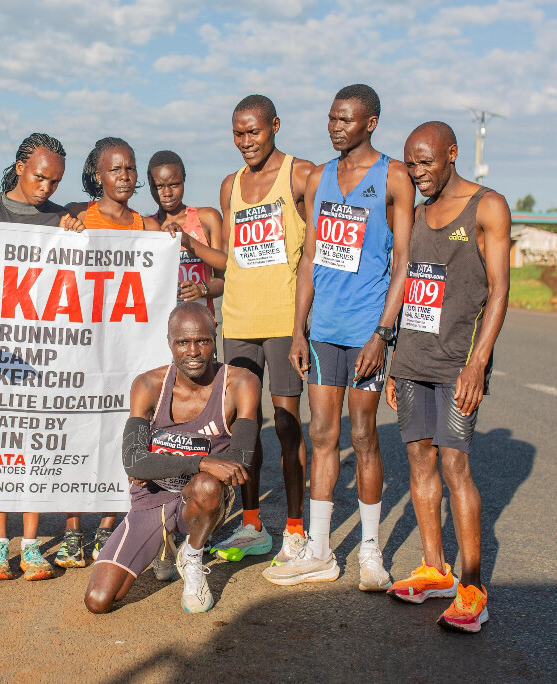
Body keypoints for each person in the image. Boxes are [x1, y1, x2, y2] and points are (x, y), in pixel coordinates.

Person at [263, 84, 415, 590]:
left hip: (367, 329)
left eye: (345, 119)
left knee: (363, 435)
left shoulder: (394, 176)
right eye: (331, 118)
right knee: (323, 435)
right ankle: (321, 551)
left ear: (370, 123)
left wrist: (383, 334)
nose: (335, 127)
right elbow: (309, 257)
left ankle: (370, 550)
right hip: (324, 331)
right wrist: (298, 330)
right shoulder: (319, 177)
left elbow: (403, 262)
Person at [384, 122, 510, 633]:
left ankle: (472, 588)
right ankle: (435, 570)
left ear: (452, 154)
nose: (417, 173)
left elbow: (499, 290)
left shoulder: (487, 206)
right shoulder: (416, 214)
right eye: (411, 164)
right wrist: (394, 361)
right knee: (419, 459)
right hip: (412, 360)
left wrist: (478, 362)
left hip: (459, 363)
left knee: (455, 465)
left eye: (426, 162)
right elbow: (409, 288)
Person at [84, 303, 260, 614]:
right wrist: (201, 461)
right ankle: (162, 546)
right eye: (183, 342)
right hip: (153, 499)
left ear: (215, 336)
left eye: (202, 341)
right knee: (98, 601)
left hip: (202, 500)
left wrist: (158, 465)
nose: (193, 352)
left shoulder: (240, 382)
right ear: (169, 342)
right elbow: (134, 462)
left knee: (207, 486)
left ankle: (191, 554)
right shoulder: (148, 384)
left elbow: (240, 462)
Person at [0, 132, 84, 580]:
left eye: (55, 181)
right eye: (39, 177)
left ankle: (30, 545)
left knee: (34, 442)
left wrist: (78, 236)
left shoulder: (60, 219)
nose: (46, 188)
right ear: (19, 168)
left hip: (41, 354)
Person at [209, 95, 315, 567]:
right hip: (238, 321)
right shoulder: (230, 186)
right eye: (238, 133)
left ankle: (294, 529)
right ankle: (252, 525)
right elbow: (230, 258)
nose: (246, 141)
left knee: (288, 427)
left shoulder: (301, 174)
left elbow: (316, 251)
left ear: (275, 125)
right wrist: (189, 247)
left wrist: (302, 325)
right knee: (243, 429)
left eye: (254, 131)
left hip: (283, 322)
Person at [63, 137, 161, 563]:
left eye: (130, 168)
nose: (124, 176)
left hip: (126, 348)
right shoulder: (77, 217)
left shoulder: (146, 227)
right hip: (81, 346)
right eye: (115, 169)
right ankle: (71, 529)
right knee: (77, 432)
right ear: (98, 174)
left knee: (121, 429)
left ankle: (107, 524)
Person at [146, 150, 224, 318]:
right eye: (159, 187)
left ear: (184, 180)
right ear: (150, 185)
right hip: (160, 324)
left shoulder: (207, 218)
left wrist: (202, 289)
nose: (167, 193)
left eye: (174, 184)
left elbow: (223, 275)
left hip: (201, 322)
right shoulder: (146, 227)